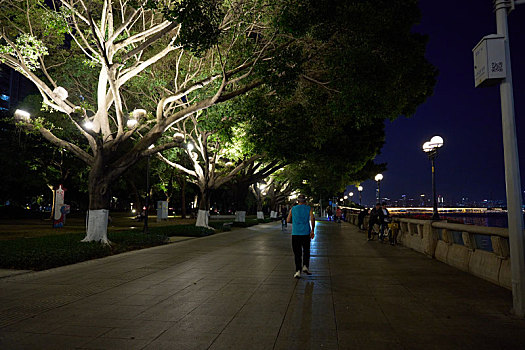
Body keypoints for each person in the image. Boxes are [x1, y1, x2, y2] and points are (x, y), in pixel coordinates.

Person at [287, 194, 315, 278]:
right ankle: (305, 266)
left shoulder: (293, 209)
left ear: (297, 201)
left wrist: (295, 222)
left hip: (295, 233)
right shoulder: (309, 208)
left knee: (297, 253)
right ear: (305, 201)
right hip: (306, 233)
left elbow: (288, 220)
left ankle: (298, 271)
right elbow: (312, 219)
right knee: (306, 251)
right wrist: (312, 230)